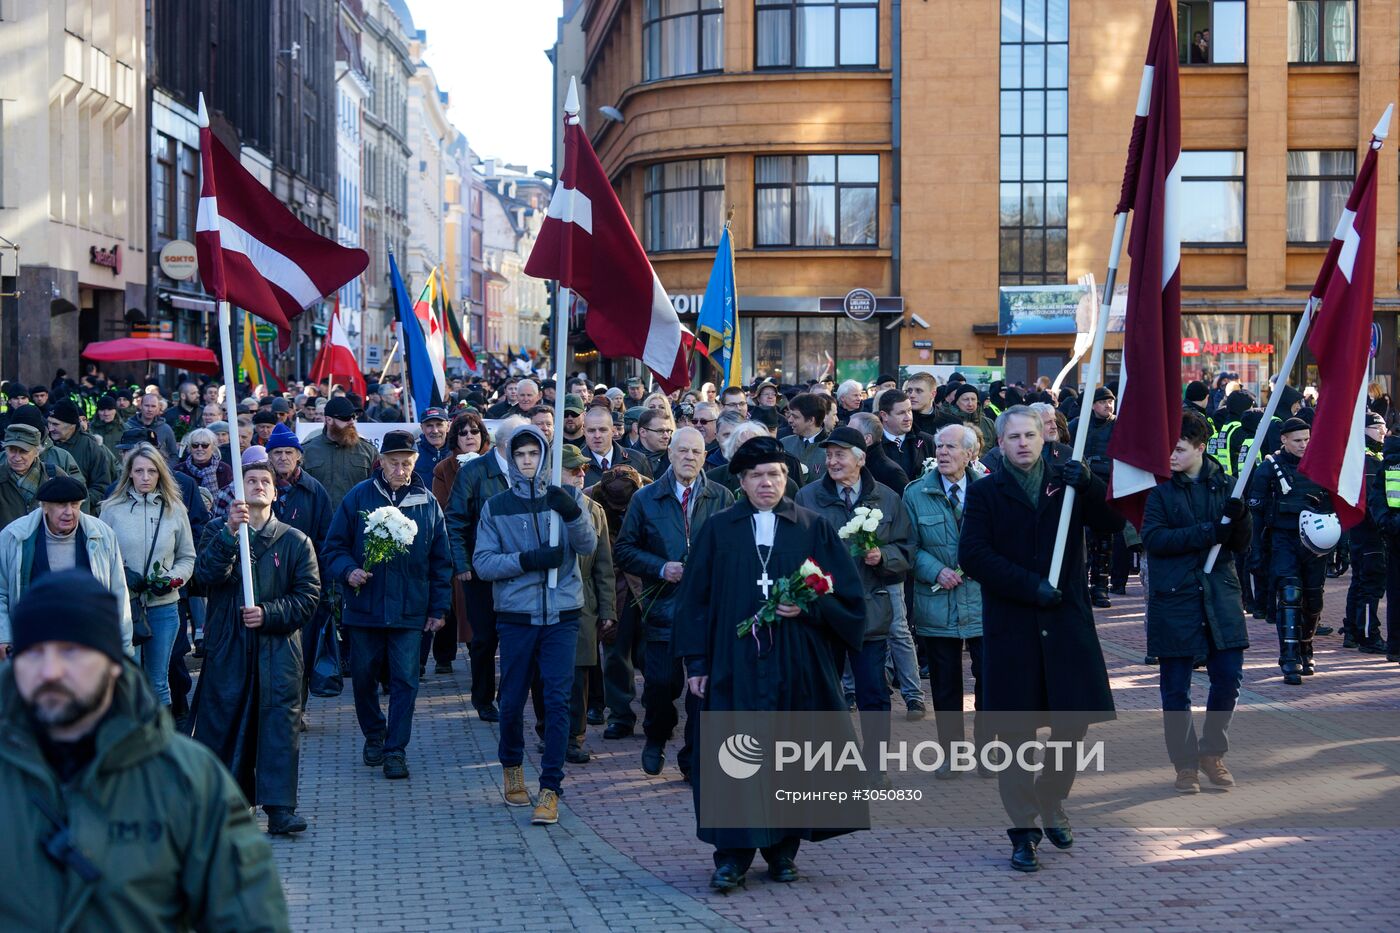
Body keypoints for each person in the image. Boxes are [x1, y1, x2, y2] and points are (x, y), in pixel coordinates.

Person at [0, 572, 290, 929]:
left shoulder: (186, 778)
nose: (49, 672)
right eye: (33, 653)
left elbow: (249, 916)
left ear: (112, 664)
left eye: (71, 651)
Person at [673, 435, 865, 890]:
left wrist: (809, 608)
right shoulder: (718, 529)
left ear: (787, 479)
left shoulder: (812, 527)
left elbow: (848, 598)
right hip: (732, 663)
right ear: (741, 480)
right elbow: (693, 600)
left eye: (775, 474)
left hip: (794, 663)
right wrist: (696, 662)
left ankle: (782, 851)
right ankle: (732, 857)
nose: (767, 483)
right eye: (757, 475)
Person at [958, 405, 1125, 873]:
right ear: (1001, 443)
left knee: (1072, 726)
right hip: (1014, 627)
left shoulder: (1067, 485)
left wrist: (1089, 482)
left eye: (1031, 435)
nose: (1023, 444)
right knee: (1014, 736)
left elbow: (1113, 522)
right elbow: (973, 554)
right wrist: (1028, 585)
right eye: (1014, 437)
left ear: (1045, 436)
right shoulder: (987, 492)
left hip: (1066, 623)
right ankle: (1024, 830)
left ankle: (1052, 799)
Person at [473, 425, 597, 825]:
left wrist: (573, 513)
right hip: (517, 617)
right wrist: (527, 560)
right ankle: (511, 765)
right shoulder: (496, 506)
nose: (528, 461)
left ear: (545, 456)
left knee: (558, 702)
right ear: (511, 458)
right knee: (511, 701)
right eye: (520, 454)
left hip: (561, 615)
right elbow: (484, 562)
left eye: (534, 454)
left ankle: (550, 788)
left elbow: (588, 546)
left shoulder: (569, 496)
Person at [190, 457, 320, 834]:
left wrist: (269, 613)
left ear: (275, 493)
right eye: (251, 480)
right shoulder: (220, 530)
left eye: (265, 481)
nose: (259, 485)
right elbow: (205, 577)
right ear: (239, 491)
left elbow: (308, 597)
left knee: (278, 727)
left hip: (278, 651)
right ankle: (230, 803)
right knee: (225, 724)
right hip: (228, 645)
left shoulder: (295, 541)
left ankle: (280, 809)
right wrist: (231, 534)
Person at [323, 430, 452, 779]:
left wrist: (439, 609)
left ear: (414, 462)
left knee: (405, 680)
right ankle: (374, 734)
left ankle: (396, 748)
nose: (400, 469)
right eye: (393, 463)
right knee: (363, 677)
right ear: (380, 462)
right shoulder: (359, 497)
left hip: (410, 610)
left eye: (406, 463)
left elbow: (441, 561)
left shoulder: (426, 503)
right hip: (365, 608)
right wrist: (348, 571)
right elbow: (332, 548)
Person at [1141, 411, 1250, 794]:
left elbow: (1239, 545)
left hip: (1220, 594)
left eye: (1180, 448)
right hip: (1176, 596)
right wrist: (1208, 531)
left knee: (1228, 679)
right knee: (1175, 688)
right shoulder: (1161, 492)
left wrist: (1240, 520)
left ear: (1200, 448)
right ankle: (1184, 764)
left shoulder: (1227, 487)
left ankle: (1211, 751)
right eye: (1169, 447)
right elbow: (1154, 539)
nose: (1171, 455)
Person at [796, 425, 914, 777]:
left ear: (860, 459)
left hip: (870, 609)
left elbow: (907, 548)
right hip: (826, 609)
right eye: (828, 455)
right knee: (826, 690)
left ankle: (875, 765)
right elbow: (796, 550)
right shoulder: (808, 497)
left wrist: (885, 556)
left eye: (839, 454)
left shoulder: (888, 499)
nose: (831, 461)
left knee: (873, 692)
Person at [614, 426, 730, 779]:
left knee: (701, 688)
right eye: (682, 451)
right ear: (670, 454)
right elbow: (625, 549)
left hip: (706, 611)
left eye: (696, 452)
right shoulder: (646, 498)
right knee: (661, 685)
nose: (689, 458)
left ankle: (693, 759)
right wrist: (661, 567)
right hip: (662, 606)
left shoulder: (721, 497)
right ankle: (656, 736)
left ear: (704, 456)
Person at [904, 424, 992, 777]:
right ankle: (952, 755)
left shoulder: (988, 490)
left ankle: (989, 753)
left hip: (983, 601)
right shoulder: (915, 493)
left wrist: (981, 563)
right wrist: (935, 570)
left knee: (989, 679)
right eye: (939, 446)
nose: (942, 452)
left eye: (951, 447)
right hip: (937, 599)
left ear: (970, 453)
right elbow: (908, 545)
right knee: (944, 684)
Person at [98, 443, 196, 708]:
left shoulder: (175, 509)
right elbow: (99, 556)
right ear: (129, 472)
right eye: (139, 471)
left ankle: (159, 743)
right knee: (126, 680)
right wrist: (121, 575)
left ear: (160, 474)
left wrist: (172, 579)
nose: (145, 477)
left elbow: (187, 557)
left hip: (163, 606)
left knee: (158, 681)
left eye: (151, 471)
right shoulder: (110, 509)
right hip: (124, 606)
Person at [445, 415, 528, 721]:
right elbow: (454, 518)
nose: (528, 454)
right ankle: (483, 698)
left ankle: (509, 695)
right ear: (505, 445)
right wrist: (462, 563)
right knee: (483, 638)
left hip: (520, 569)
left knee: (516, 635)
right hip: (481, 569)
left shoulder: (529, 469)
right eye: (523, 447)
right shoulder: (475, 471)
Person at [0, 475, 132, 660]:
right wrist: (3, 636)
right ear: (44, 506)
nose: (69, 512)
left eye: (75, 504)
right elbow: (1, 591)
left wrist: (123, 646)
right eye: (62, 505)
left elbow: (117, 592)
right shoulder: (15, 536)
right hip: (33, 644)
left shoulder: (102, 535)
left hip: (89, 643)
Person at [1248, 417, 1335, 685]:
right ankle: (1288, 658)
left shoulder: (1319, 465)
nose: (1303, 445)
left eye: (1307, 439)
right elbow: (1257, 513)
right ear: (1283, 440)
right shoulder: (1268, 468)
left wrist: (1338, 545)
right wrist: (1256, 551)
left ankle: (1305, 648)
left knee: (1313, 600)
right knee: (1289, 595)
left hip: (1315, 544)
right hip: (1282, 540)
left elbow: (1334, 506)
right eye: (1297, 440)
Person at [265, 423, 334, 711]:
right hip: (265, 581)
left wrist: (321, 581)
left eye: (288, 452)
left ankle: (297, 710)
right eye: (277, 452)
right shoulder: (260, 485)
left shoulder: (314, 491)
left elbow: (326, 537)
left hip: (302, 583)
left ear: (299, 456)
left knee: (300, 651)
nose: (282, 457)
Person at [559, 444, 616, 765]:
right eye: (573, 469)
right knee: (550, 679)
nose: (582, 474)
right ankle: (550, 733)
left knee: (579, 678)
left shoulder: (595, 511)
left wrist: (608, 610)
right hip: (549, 608)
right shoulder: (541, 506)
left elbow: (604, 568)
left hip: (584, 607)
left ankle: (574, 738)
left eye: (583, 469)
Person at [431, 410, 491, 670]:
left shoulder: (496, 461)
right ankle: (446, 656)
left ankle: (482, 660)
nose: (469, 436)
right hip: (460, 541)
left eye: (474, 431)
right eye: (463, 432)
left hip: (492, 542)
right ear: (455, 437)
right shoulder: (445, 468)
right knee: (458, 603)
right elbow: (444, 508)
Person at [1068, 386, 1123, 607]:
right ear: (1092, 404)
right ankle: (1081, 585)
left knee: (1104, 541)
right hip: (1081, 488)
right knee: (1081, 541)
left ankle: (1100, 587)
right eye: (1103, 402)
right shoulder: (1077, 425)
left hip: (1106, 489)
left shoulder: (1119, 426)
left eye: (1110, 401)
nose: (1108, 405)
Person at [1343, 411, 1387, 652]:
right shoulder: (1369, 462)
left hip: (1360, 532)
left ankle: (1352, 630)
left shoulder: (1364, 458)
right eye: (1376, 427)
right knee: (1370, 583)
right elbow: (1372, 502)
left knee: (1359, 582)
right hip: (1371, 534)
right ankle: (1369, 635)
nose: (1382, 431)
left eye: (1383, 427)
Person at [301, 395, 379, 512]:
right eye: (345, 418)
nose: (351, 422)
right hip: (319, 525)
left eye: (353, 417)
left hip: (356, 524)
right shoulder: (307, 451)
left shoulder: (368, 451)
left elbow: (378, 490)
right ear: (328, 420)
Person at [46, 399, 116, 513]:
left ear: (71, 425)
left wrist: (80, 502)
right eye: (49, 423)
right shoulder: (45, 445)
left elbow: (102, 487)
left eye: (55, 424)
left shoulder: (91, 448)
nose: (50, 428)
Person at [1367, 431, 1400, 662]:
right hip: (1396, 535)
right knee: (1396, 593)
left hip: (1393, 532)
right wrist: (1388, 523)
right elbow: (1377, 497)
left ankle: (1395, 647)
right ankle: (1396, 646)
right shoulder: (1391, 463)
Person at [0, 424, 58, 529]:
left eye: (24, 451)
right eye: (12, 450)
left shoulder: (54, 475)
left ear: (37, 452)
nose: (17, 458)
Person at [581, 405, 651, 486]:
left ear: (613, 430)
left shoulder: (638, 460)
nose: (597, 435)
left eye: (603, 430)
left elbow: (648, 495)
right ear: (584, 432)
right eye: (591, 430)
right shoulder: (575, 466)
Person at [877, 390, 936, 486]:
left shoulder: (927, 441)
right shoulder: (872, 444)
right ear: (884, 416)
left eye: (909, 411)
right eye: (901, 413)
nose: (908, 418)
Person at [848, 411, 909, 492]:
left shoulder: (892, 473)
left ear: (867, 439)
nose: (846, 436)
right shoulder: (850, 463)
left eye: (850, 432)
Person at [780, 393, 831, 484]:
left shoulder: (831, 449)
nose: (790, 420)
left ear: (811, 420)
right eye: (790, 415)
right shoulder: (783, 444)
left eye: (795, 417)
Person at [174, 427, 232, 497]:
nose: (200, 448)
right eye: (195, 445)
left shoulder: (224, 469)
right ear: (189, 448)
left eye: (205, 445)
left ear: (213, 447)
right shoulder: (179, 470)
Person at [125, 393, 179, 461]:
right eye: (147, 405)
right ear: (141, 406)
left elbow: (174, 456)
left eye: (153, 406)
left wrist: (164, 470)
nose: (149, 409)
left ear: (158, 408)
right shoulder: (128, 427)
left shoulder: (165, 429)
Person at [413, 406, 453, 488]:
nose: (435, 430)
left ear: (448, 426)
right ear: (422, 428)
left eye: (439, 425)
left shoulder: (458, 451)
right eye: (429, 426)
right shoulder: (412, 454)